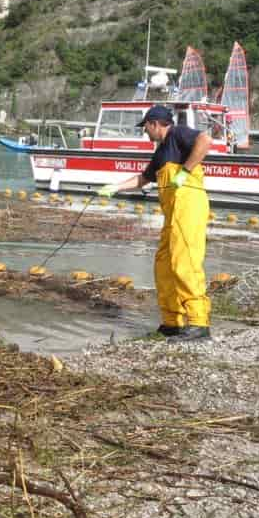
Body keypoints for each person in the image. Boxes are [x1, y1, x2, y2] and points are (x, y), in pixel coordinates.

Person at [98, 104, 212, 342]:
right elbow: (143, 178)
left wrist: (185, 172)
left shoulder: (177, 133)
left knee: (185, 262)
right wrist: (116, 187)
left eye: (145, 128)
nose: (145, 133)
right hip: (172, 215)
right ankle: (173, 322)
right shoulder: (160, 153)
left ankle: (199, 323)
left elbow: (205, 140)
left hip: (189, 207)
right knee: (164, 264)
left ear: (154, 123)